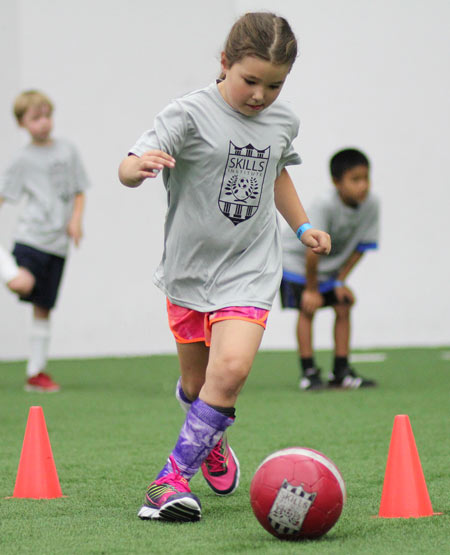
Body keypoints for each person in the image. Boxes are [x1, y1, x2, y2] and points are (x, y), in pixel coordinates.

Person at [119, 12, 331, 523]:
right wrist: (138, 168)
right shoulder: (188, 114)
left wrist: (301, 228)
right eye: (250, 81)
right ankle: (210, 438)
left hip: (251, 269)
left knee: (230, 370)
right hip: (189, 273)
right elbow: (128, 163)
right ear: (224, 63)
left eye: (274, 85)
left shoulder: (284, 122)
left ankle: (169, 481)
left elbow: (276, 174)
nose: (260, 96)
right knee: (198, 388)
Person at [0, 90, 91, 392]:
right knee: (22, 283)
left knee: (43, 307)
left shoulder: (67, 150)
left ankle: (35, 373)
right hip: (31, 239)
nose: (43, 123)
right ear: (22, 123)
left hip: (57, 245)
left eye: (46, 116)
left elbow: (79, 190)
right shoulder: (22, 160)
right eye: (35, 118)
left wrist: (76, 220)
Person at [280, 148, 380, 391]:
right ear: (336, 182)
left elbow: (361, 248)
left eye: (366, 178)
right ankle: (309, 373)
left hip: (326, 272)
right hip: (296, 265)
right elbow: (311, 250)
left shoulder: (371, 204)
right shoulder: (324, 205)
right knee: (307, 309)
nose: (363, 186)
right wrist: (311, 290)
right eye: (355, 180)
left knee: (343, 304)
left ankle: (342, 371)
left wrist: (339, 281)